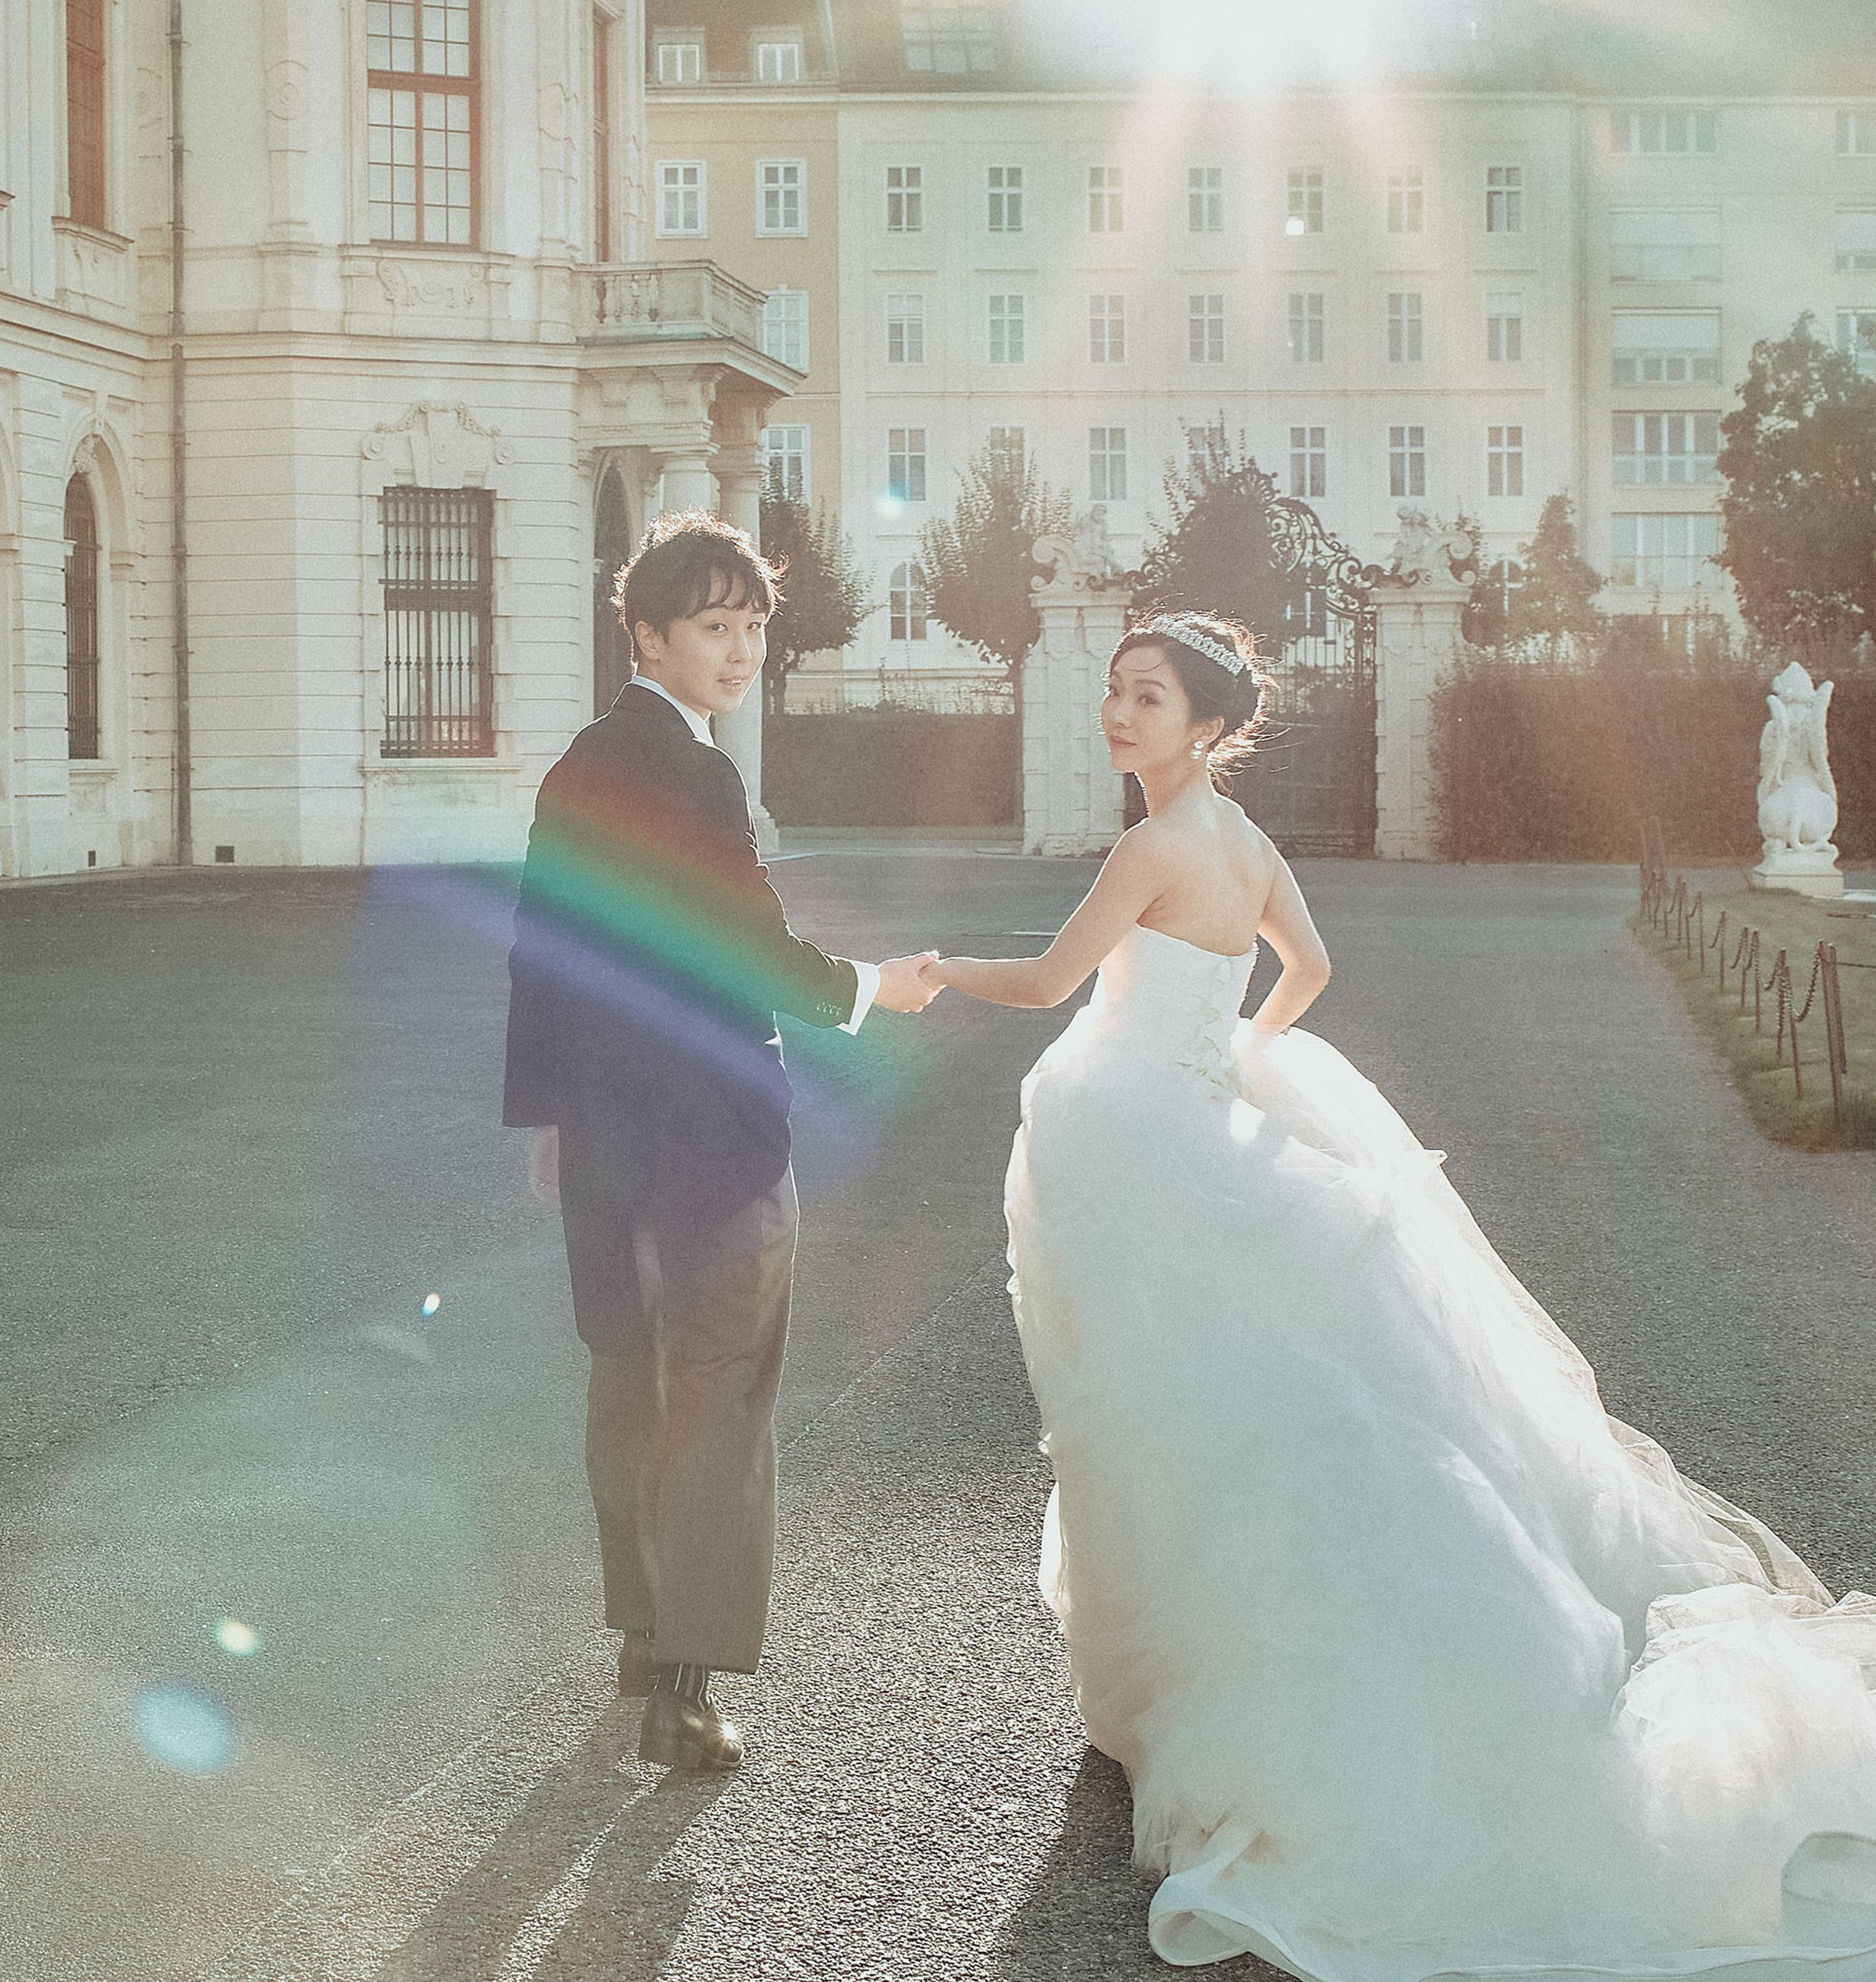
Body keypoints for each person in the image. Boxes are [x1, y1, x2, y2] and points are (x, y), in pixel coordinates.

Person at [923, 612, 1876, 1978]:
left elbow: (1048, 982)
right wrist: (1235, 1058)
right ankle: (1201, 1679)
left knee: (1158, 1407)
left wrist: (940, 969)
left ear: (1204, 725)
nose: (1118, 715)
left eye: (1146, 697)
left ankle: (1203, 1692)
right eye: (1114, 691)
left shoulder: (1150, 847)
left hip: (1138, 1143)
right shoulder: (1248, 846)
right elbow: (1310, 970)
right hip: (1203, 1121)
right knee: (1242, 1404)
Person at [502, 511, 936, 1773]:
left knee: (626, 1381)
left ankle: (644, 1636)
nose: (739, 652)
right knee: (721, 1393)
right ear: (644, 632)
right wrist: (869, 990)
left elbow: (548, 952)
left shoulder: (581, 763)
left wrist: (555, 1120)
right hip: (711, 1141)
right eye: (713, 627)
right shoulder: (697, 774)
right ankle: (683, 1693)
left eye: (752, 627)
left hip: (611, 1141)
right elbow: (746, 946)